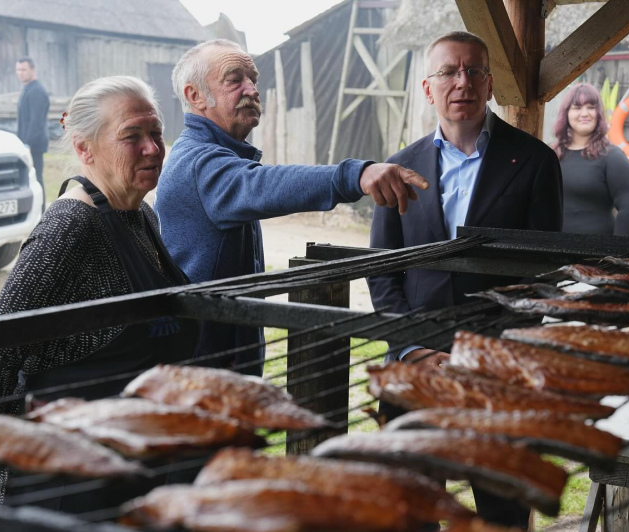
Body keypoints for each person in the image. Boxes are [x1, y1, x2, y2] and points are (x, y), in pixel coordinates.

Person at [0, 76, 199, 508]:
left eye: (156, 133)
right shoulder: (69, 229)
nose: (152, 148)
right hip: (62, 480)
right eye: (132, 136)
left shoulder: (139, 214)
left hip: (125, 465)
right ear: (84, 149)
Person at [367, 31, 563, 530]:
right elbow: (383, 269)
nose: (463, 82)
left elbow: (543, 277)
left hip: (495, 371)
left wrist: (485, 357)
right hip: (417, 367)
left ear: (491, 84)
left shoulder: (535, 161)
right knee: (412, 506)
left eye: (474, 70)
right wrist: (414, 347)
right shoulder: (400, 167)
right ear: (428, 89)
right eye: (449, 72)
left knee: (503, 510)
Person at [156, 39, 428, 375]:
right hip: (204, 366)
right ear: (195, 96)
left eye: (253, 79)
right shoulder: (201, 162)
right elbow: (263, 185)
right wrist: (355, 175)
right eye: (234, 79)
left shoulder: (212, 155)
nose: (252, 89)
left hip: (216, 358)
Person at [552, 82, 629, 236]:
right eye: (577, 107)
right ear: (566, 114)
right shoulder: (551, 155)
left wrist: (617, 253)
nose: (585, 113)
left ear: (598, 113)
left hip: (596, 254)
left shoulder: (612, 157)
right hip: (552, 250)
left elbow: (628, 208)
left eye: (591, 107)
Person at [15, 57, 50, 202]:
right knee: (29, 180)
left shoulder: (36, 91)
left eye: (24, 70)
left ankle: (41, 216)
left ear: (33, 70)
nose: (20, 73)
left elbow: (36, 122)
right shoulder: (28, 89)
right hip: (27, 144)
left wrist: (27, 144)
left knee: (37, 180)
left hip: (33, 145)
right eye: (18, 70)